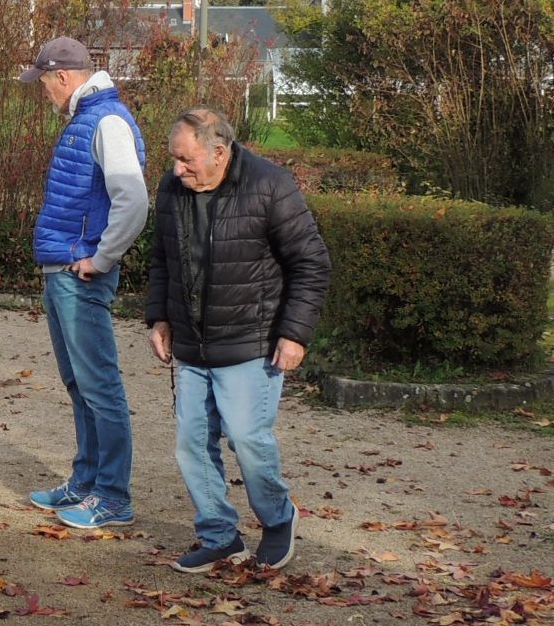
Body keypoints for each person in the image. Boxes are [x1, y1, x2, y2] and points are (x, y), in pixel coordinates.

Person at [146, 107, 331, 573]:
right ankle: (219, 536)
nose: (176, 170)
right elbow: (162, 258)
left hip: (252, 342)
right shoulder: (173, 189)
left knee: (248, 440)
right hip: (191, 344)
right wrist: (158, 317)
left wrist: (294, 333)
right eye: (173, 159)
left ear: (220, 152)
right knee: (192, 444)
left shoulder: (271, 185)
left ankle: (276, 519)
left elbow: (311, 264)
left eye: (186, 160)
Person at [22, 37, 148, 529]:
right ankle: (87, 482)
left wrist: (102, 257)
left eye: (45, 84)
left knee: (100, 386)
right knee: (80, 385)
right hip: (64, 271)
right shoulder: (89, 118)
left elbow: (133, 201)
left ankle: (113, 496)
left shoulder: (107, 121)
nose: (45, 94)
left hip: (80, 274)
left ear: (64, 78)